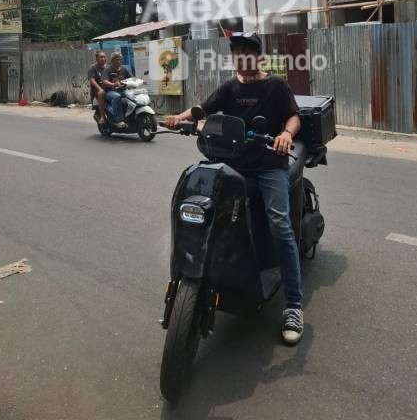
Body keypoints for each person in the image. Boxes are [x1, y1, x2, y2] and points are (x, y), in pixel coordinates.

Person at [165, 32, 304, 345]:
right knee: (213, 210)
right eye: (237, 52)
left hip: (269, 164)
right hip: (234, 161)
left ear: (259, 57)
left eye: (247, 52)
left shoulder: (276, 86)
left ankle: (294, 305)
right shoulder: (229, 87)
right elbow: (202, 110)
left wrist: (285, 134)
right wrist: (178, 117)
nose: (241, 57)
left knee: (279, 224)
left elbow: (293, 116)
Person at [101, 52, 132, 129]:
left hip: (122, 90)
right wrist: (113, 84)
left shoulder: (124, 69)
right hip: (110, 92)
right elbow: (104, 81)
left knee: (133, 95)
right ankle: (118, 120)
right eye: (117, 59)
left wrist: (139, 81)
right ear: (112, 60)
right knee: (116, 96)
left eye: (120, 59)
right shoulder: (108, 69)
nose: (119, 61)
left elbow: (131, 78)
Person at [87, 50, 107, 124]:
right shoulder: (93, 68)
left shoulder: (108, 67)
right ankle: (102, 116)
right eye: (101, 57)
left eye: (104, 57)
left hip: (108, 88)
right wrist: (100, 89)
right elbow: (92, 80)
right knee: (101, 93)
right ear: (97, 58)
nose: (103, 59)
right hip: (97, 90)